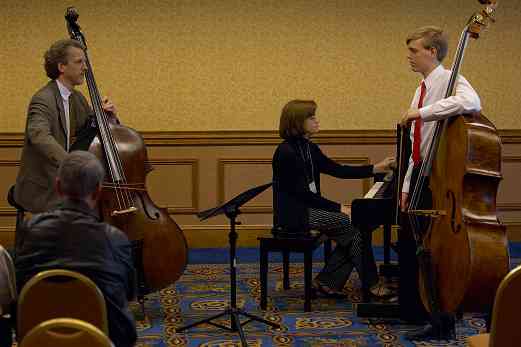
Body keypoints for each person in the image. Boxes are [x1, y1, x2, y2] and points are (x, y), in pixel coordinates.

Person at [398, 26, 481, 340]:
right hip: (421, 175)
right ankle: (427, 310)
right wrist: (406, 185)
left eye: (415, 51)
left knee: (438, 250)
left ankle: (442, 316)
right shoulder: (421, 87)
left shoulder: (448, 80)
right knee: (421, 248)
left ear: (432, 52)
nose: (409, 57)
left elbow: (471, 102)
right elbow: (417, 144)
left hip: (440, 177)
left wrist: (422, 112)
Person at [272, 99, 395, 298]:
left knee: (357, 228)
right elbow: (303, 194)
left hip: (309, 210)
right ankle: (371, 284)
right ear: (297, 122)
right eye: (311, 118)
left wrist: (375, 168)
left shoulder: (309, 148)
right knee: (355, 226)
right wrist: (339, 208)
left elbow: (337, 170)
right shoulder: (286, 153)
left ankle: (327, 282)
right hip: (295, 216)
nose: (317, 121)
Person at [15, 151, 137, 347]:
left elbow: (19, 289)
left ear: (58, 187)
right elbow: (130, 293)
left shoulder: (31, 230)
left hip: (39, 338)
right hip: (101, 339)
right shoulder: (114, 239)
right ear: (98, 191)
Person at [14, 39, 118, 213]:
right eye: (79, 62)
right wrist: (71, 166)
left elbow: (89, 131)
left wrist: (108, 118)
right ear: (62, 67)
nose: (85, 68)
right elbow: (39, 135)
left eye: (85, 62)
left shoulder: (77, 99)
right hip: (44, 187)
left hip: (67, 184)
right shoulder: (43, 99)